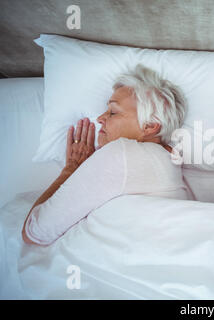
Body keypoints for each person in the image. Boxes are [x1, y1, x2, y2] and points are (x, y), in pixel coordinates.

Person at [22, 65, 189, 246]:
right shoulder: (168, 158)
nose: (101, 118)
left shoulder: (121, 153)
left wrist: (70, 168)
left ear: (149, 126)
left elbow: (34, 233)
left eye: (113, 112)